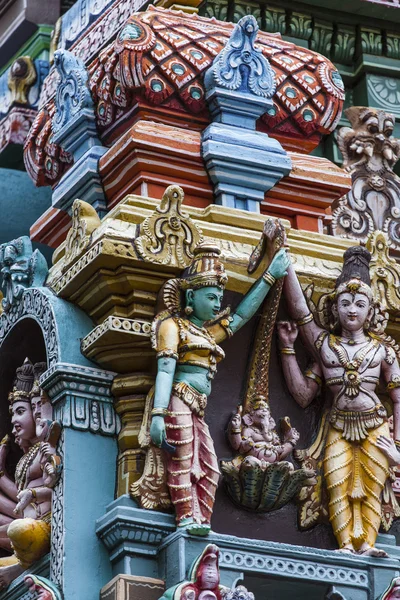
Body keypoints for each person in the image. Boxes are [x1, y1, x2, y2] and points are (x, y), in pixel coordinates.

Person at [148, 240, 290, 535]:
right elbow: (165, 370)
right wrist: (158, 415)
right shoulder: (172, 327)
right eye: (211, 296)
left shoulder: (207, 332)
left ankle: (202, 520)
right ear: (191, 295)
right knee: (183, 459)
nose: (217, 303)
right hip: (177, 400)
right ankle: (186, 517)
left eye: (220, 296)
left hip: (197, 406)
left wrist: (270, 276)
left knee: (210, 468)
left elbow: (240, 318)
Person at [279, 245, 400, 556]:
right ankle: (346, 544)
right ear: (334, 309)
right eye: (345, 303)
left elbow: (398, 399)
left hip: (374, 426)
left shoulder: (383, 351)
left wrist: (397, 445)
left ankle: (367, 544)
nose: (352, 310)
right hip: (337, 425)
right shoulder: (325, 347)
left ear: (371, 311)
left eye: (360, 304)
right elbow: (304, 394)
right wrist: (288, 349)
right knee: (335, 481)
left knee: (372, 485)